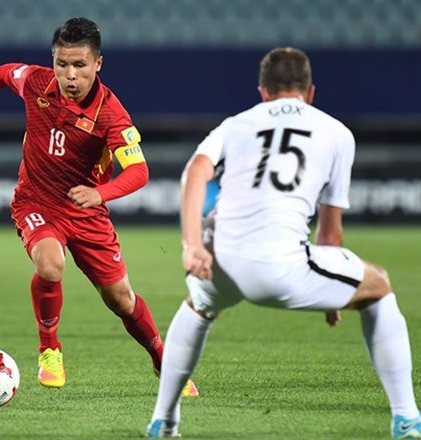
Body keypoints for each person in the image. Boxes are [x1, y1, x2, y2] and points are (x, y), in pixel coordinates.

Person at [145, 47, 420, 439]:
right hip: (280, 266)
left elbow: (195, 173)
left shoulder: (236, 123)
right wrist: (334, 296)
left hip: (219, 255)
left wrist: (192, 245)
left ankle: (164, 420)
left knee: (198, 306)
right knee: (378, 285)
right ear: (310, 92)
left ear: (263, 91)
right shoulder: (337, 132)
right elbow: (330, 231)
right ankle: (407, 416)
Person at [0, 17, 198, 396]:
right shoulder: (37, 82)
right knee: (50, 263)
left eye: (80, 65)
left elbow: (138, 171)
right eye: (62, 64)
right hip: (35, 200)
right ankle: (49, 349)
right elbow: (5, 73)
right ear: (53, 61)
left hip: (87, 211)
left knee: (121, 299)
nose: (69, 75)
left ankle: (162, 360)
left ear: (98, 64)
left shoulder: (110, 113)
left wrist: (99, 195)